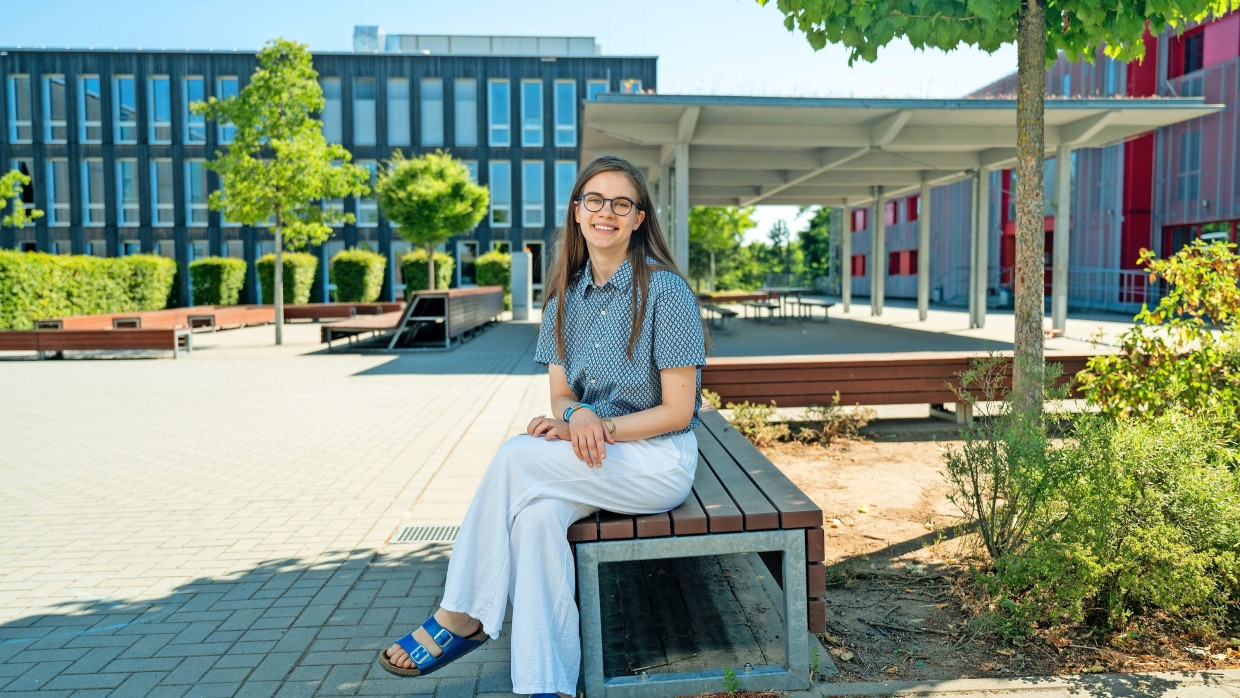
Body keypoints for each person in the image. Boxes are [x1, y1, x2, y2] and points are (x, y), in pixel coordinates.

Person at [378, 154, 707, 697]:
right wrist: (576, 416)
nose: (607, 212)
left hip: (655, 460)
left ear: (639, 219)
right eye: (594, 200)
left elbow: (678, 410)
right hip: (596, 458)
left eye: (622, 204)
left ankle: (461, 613)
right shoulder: (562, 298)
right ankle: (544, 685)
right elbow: (560, 393)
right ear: (577, 212)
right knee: (534, 520)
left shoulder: (665, 293)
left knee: (515, 455)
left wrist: (598, 428)